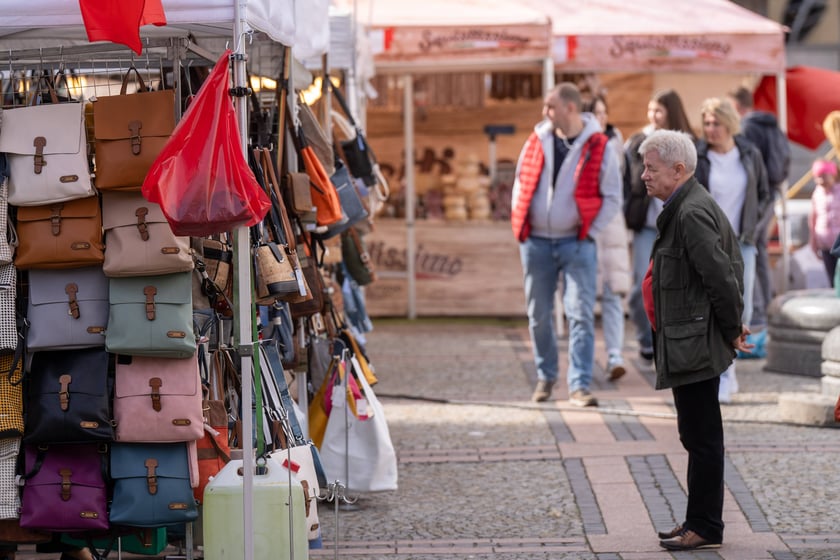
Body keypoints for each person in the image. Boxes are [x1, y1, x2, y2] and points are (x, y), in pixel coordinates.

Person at [638, 129, 751, 551]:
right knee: (696, 435)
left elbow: (722, 275)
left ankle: (705, 525)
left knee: (702, 438)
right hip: (689, 339)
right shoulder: (682, 207)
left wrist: (730, 328)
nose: (644, 175)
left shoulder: (689, 212)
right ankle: (697, 519)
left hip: (695, 340)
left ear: (678, 170)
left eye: (651, 167)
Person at [511, 82, 622, 406]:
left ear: (569, 108)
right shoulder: (538, 139)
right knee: (539, 314)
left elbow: (613, 196)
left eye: (550, 106)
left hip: (576, 242)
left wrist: (590, 232)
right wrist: (519, 222)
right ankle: (546, 377)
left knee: (580, 313)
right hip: (536, 242)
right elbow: (520, 181)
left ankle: (579, 384)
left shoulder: (600, 145)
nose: (545, 112)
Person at [695, 97, 770, 403]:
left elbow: (765, 194)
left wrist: (755, 226)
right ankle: (721, 373)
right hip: (709, 242)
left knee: (743, 308)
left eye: (716, 123)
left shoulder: (749, 154)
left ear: (729, 124)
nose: (711, 129)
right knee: (712, 305)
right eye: (707, 123)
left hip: (743, 242)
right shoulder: (699, 157)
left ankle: (730, 371)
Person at [624, 89, 696, 363]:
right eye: (650, 110)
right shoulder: (637, 142)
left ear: (671, 113)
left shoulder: (689, 146)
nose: (652, 116)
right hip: (646, 226)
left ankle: (670, 345)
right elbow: (626, 183)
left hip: (678, 226)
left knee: (677, 287)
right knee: (640, 288)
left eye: (659, 111)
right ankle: (646, 339)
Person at [729, 86, 791, 336]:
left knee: (749, 250)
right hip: (773, 193)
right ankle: (767, 308)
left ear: (737, 107)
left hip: (756, 198)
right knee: (760, 251)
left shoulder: (748, 128)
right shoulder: (774, 127)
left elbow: (748, 168)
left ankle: (756, 314)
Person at [583, 94, 631, 380]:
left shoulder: (615, 142)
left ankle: (615, 354)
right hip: (587, 224)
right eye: (595, 113)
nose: (601, 118)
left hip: (612, 225)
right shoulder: (579, 144)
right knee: (585, 295)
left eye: (604, 112)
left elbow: (620, 187)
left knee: (614, 292)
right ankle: (586, 358)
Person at [808, 159, 840, 286]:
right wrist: (813, 240)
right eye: (818, 177)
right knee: (832, 276)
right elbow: (813, 218)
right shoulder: (817, 193)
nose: (821, 180)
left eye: (824, 176)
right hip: (825, 243)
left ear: (834, 175)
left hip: (838, 242)